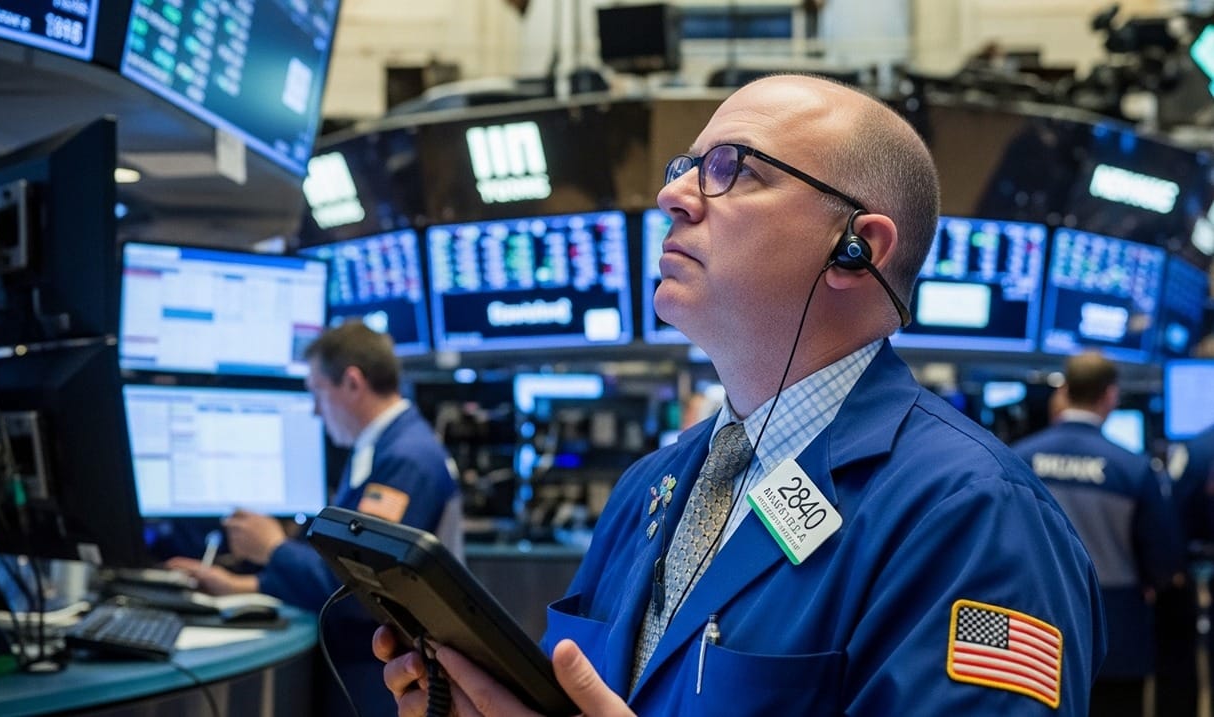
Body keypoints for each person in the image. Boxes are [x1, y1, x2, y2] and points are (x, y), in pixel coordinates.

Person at [375, 73, 1106, 716]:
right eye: (684, 166)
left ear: (858, 249)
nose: (670, 196)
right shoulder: (648, 489)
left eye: (732, 168)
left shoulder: (972, 515)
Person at [169, 321, 462, 717]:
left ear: (353, 383)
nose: (314, 409)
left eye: (317, 393)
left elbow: (358, 583)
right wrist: (243, 585)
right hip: (374, 664)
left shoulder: (405, 459)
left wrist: (273, 548)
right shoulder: (384, 449)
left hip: (383, 673)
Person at [1010, 351, 1181, 717]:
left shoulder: (1018, 459)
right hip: (1116, 632)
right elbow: (1164, 558)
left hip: (1035, 633)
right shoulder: (1133, 468)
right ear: (1110, 395)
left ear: (1066, 390)